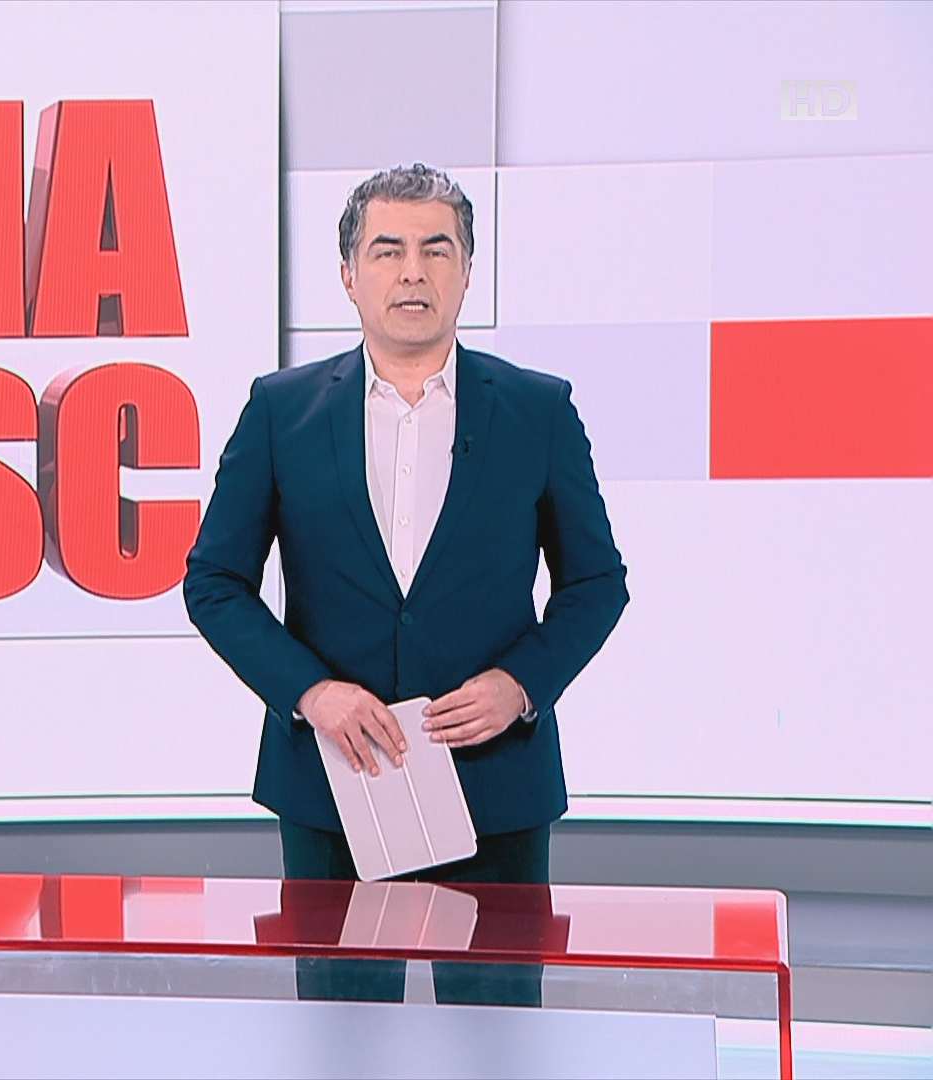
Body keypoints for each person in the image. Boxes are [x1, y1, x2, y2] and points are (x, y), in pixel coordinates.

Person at [183, 162, 628, 1004]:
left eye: (437, 249)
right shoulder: (280, 410)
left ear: (468, 270)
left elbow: (597, 583)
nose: (413, 272)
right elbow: (214, 581)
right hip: (333, 785)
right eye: (388, 251)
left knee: (496, 1040)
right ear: (349, 276)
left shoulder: (538, 410)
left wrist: (520, 686)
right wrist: (311, 694)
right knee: (342, 1040)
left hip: (495, 783)